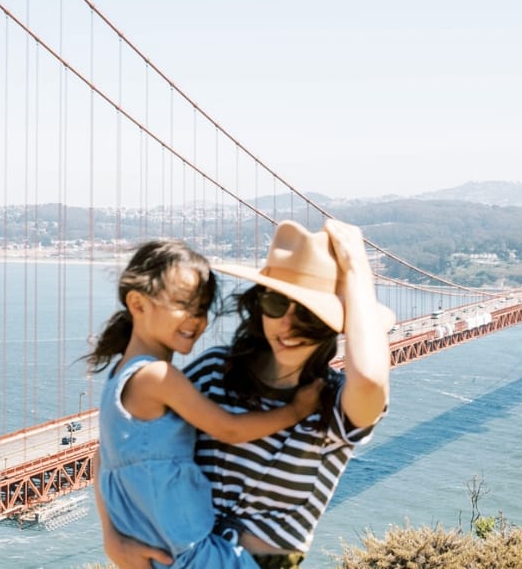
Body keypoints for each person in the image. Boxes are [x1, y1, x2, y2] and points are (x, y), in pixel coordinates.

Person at [103, 219, 396, 569]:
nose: (287, 327)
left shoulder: (332, 402)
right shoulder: (214, 372)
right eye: (275, 304)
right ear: (258, 304)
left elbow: (370, 378)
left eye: (309, 315)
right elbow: (115, 446)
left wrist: (357, 273)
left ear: (337, 325)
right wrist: (114, 541)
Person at [87, 239, 325, 569]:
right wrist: (297, 411)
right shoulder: (158, 376)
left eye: (202, 309)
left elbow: (101, 458)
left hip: (164, 555)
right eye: (183, 304)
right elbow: (229, 428)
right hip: (194, 557)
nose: (195, 320)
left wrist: (112, 537)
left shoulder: (119, 375)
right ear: (138, 304)